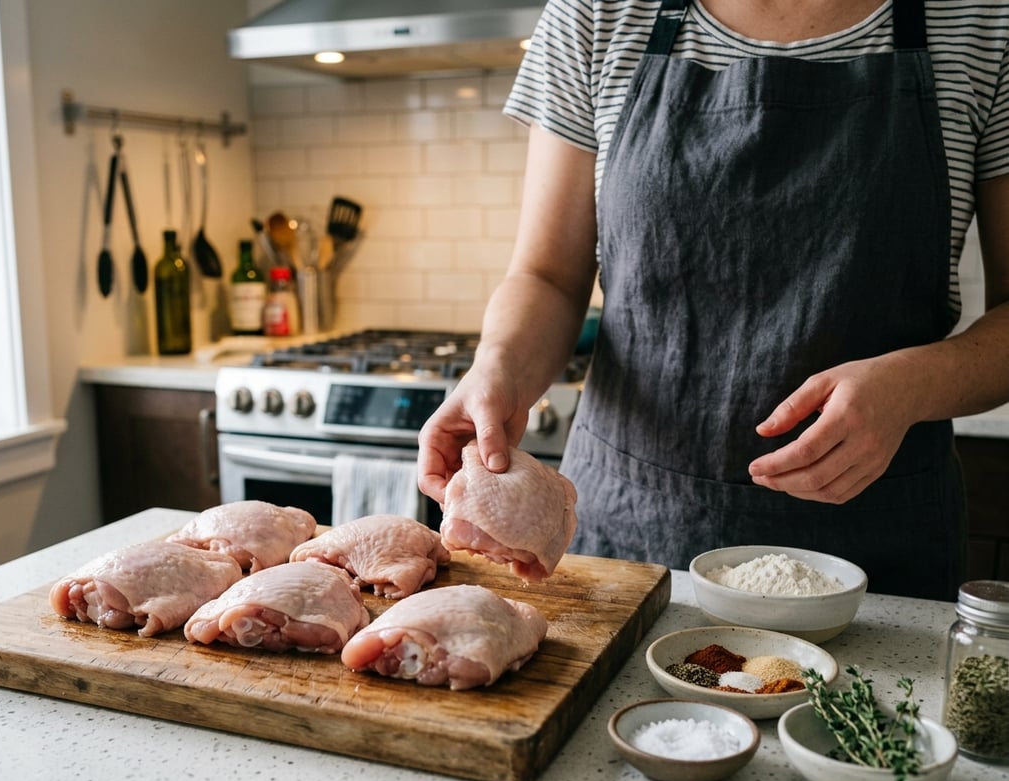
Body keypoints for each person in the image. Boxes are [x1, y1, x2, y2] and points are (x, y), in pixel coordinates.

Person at [417, 0, 1009, 602]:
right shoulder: (600, 13)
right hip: (632, 532)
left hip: (875, 547)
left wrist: (913, 385)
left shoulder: (983, 19)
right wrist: (500, 367)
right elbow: (547, 276)